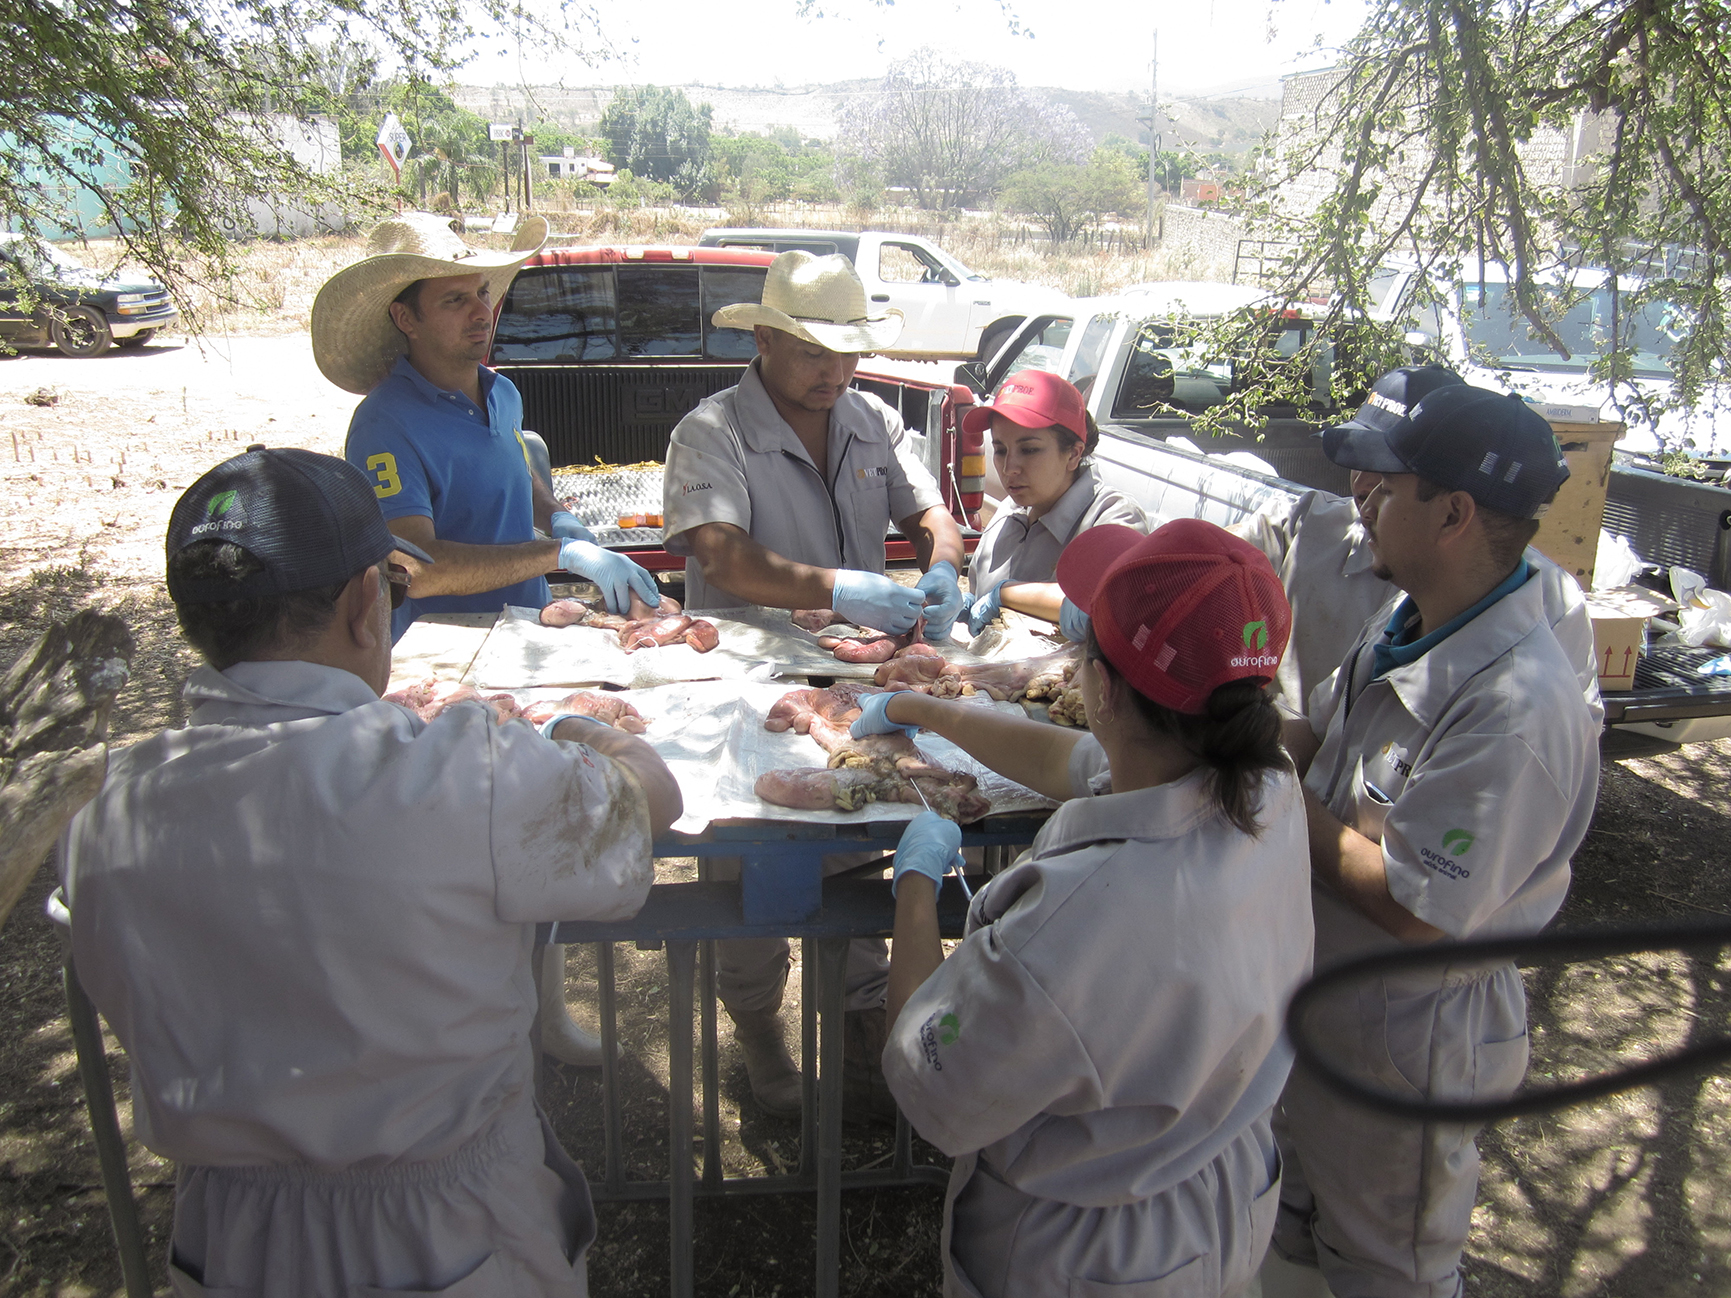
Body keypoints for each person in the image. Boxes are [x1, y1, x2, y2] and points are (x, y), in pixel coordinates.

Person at [60, 448, 681, 1296]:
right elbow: (650, 795)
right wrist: (576, 729)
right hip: (447, 1235)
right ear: (365, 604)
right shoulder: (459, 775)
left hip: (228, 1237)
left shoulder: (105, 807)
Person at [863, 519, 1315, 1297]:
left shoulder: (1070, 924)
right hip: (1225, 1189)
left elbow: (925, 1081)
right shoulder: (1262, 780)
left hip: (1090, 1253)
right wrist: (922, 710)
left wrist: (913, 885)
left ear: (1098, 689)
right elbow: (1071, 761)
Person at [1268, 386, 1601, 1298]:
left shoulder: (1515, 708)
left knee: (1387, 1268)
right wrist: (1221, 730)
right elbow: (1321, 738)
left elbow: (1417, 908)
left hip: (1407, 1041)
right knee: (1288, 1233)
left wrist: (1266, 790)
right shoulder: (1406, 620)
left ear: (1453, 514)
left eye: (1386, 488)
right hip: (1323, 1002)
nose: (1364, 502)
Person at [314, 213, 663, 1067]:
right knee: (460, 844)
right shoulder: (385, 424)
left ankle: (541, 1009)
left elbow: (526, 475)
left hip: (526, 645)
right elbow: (416, 566)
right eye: (454, 300)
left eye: (483, 294)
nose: (481, 313)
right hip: (446, 661)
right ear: (404, 317)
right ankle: (463, 1029)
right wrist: (558, 555)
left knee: (533, 818)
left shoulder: (499, 391)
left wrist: (565, 521)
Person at [660, 249, 968, 1119]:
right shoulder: (711, 432)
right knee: (750, 871)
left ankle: (863, 1034)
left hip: (854, 688)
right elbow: (719, 556)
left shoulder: (871, 419)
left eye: (847, 352)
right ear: (763, 340)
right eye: (811, 353)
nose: (834, 371)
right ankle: (758, 1030)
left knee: (861, 843)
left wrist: (942, 565)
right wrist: (836, 586)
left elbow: (930, 512)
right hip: (749, 693)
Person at [1230, 367, 1604, 721]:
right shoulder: (1308, 527)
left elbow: (1566, 730)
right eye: (1358, 458)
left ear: (1452, 512)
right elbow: (1327, 735)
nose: (1365, 487)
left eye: (1389, 476)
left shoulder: (1549, 608)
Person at [959, 368, 1150, 639]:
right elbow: (979, 593)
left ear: (1073, 454)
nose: (1009, 468)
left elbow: (1100, 605)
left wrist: (1004, 594)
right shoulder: (1008, 512)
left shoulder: (1112, 518)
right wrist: (966, 605)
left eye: (1029, 450)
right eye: (1000, 450)